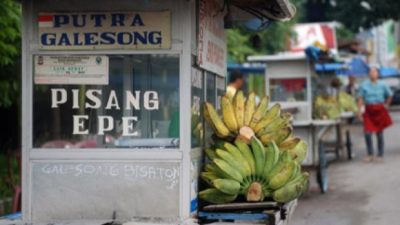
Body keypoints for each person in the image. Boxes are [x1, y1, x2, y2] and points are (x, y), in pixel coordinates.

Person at [357, 66, 393, 162]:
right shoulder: (364, 85)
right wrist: (359, 111)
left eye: (374, 72)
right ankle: (370, 154)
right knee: (367, 133)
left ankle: (380, 155)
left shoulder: (383, 84)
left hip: (379, 109)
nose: (373, 73)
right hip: (368, 110)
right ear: (369, 74)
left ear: (377, 74)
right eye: (371, 72)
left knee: (379, 133)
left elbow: (390, 94)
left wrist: (387, 105)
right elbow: (360, 98)